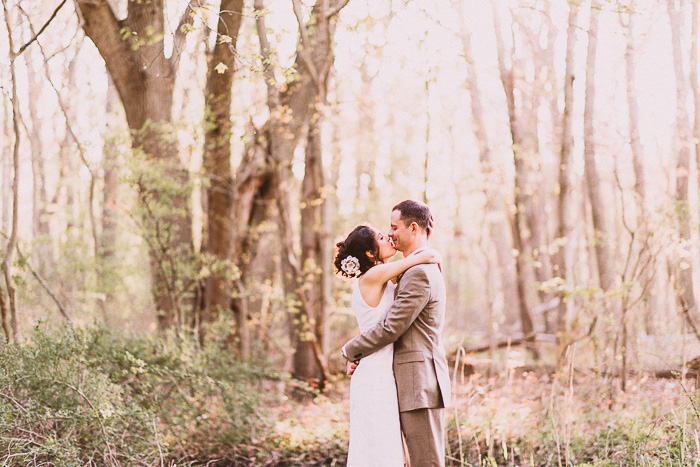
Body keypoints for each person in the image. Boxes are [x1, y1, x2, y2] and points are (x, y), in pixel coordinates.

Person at [341, 200, 451, 467]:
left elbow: (391, 327)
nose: (389, 233)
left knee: (423, 461)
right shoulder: (401, 272)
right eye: (385, 231)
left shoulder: (417, 273)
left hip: (418, 382)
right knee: (384, 454)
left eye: (393, 227)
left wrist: (350, 349)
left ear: (413, 228)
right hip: (393, 378)